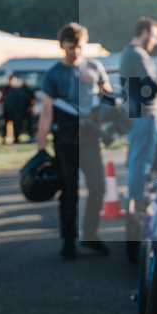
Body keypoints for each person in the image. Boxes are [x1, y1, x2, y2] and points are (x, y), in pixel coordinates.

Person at [37, 23, 112, 259]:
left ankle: (90, 235)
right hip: (65, 140)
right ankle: (68, 240)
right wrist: (40, 150)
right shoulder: (53, 74)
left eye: (79, 47)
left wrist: (111, 112)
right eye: (71, 48)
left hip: (90, 138)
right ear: (62, 46)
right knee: (69, 191)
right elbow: (46, 114)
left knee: (98, 186)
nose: (75, 52)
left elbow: (109, 97)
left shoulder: (95, 67)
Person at [120, 17, 157, 204]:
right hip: (144, 115)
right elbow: (151, 83)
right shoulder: (137, 54)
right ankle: (137, 201)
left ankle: (146, 191)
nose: (155, 42)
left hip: (144, 115)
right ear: (145, 33)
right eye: (154, 37)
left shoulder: (130, 53)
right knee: (141, 161)